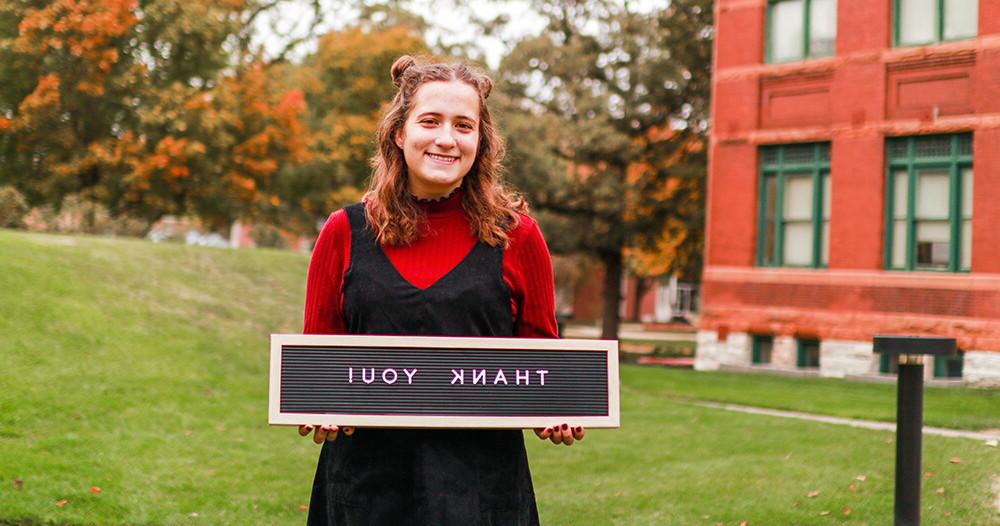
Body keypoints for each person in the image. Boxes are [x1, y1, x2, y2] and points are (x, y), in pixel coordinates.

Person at [299, 54, 585, 525]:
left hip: (482, 488)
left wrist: (557, 410)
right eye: (430, 121)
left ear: (481, 140)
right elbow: (319, 359)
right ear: (399, 132)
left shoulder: (520, 237)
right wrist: (318, 405)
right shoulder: (343, 231)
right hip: (365, 488)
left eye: (464, 125)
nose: (446, 139)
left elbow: (541, 361)